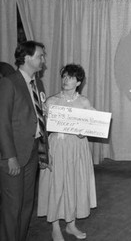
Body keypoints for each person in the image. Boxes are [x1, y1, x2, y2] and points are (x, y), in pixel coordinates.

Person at [37, 64, 97, 241]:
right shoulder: (51, 101)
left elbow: (93, 125)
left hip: (77, 148)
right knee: (56, 184)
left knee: (74, 183)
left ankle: (70, 225)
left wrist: (84, 130)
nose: (66, 80)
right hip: (57, 146)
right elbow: (42, 129)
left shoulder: (84, 102)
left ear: (78, 82)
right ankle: (55, 227)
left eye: (70, 78)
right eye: (64, 77)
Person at [0, 40, 49, 241]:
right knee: (12, 207)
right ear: (27, 58)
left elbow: (38, 117)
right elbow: (2, 122)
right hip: (14, 155)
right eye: (40, 56)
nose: (43, 60)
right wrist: (9, 157)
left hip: (32, 152)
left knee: (27, 204)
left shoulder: (38, 83)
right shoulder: (9, 82)